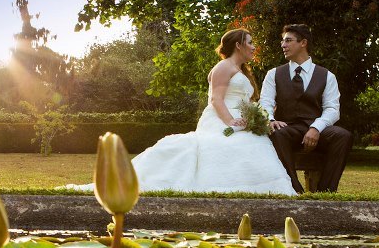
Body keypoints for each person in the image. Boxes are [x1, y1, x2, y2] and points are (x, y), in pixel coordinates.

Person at [66, 29, 297, 195]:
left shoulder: (241, 70)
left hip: (241, 118)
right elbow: (217, 100)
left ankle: (266, 191)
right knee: (231, 145)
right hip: (222, 119)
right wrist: (232, 123)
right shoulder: (223, 67)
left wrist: (259, 118)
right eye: (250, 42)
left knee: (256, 144)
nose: (254, 47)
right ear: (238, 45)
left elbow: (246, 100)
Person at [259, 24, 352, 193]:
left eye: (288, 40)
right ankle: (294, 189)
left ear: (303, 43)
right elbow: (265, 102)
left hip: (316, 128)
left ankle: (326, 192)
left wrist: (316, 128)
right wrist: (271, 119)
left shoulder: (327, 76)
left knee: (343, 136)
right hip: (288, 128)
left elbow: (332, 109)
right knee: (277, 133)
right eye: (282, 41)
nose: (283, 45)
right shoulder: (273, 74)